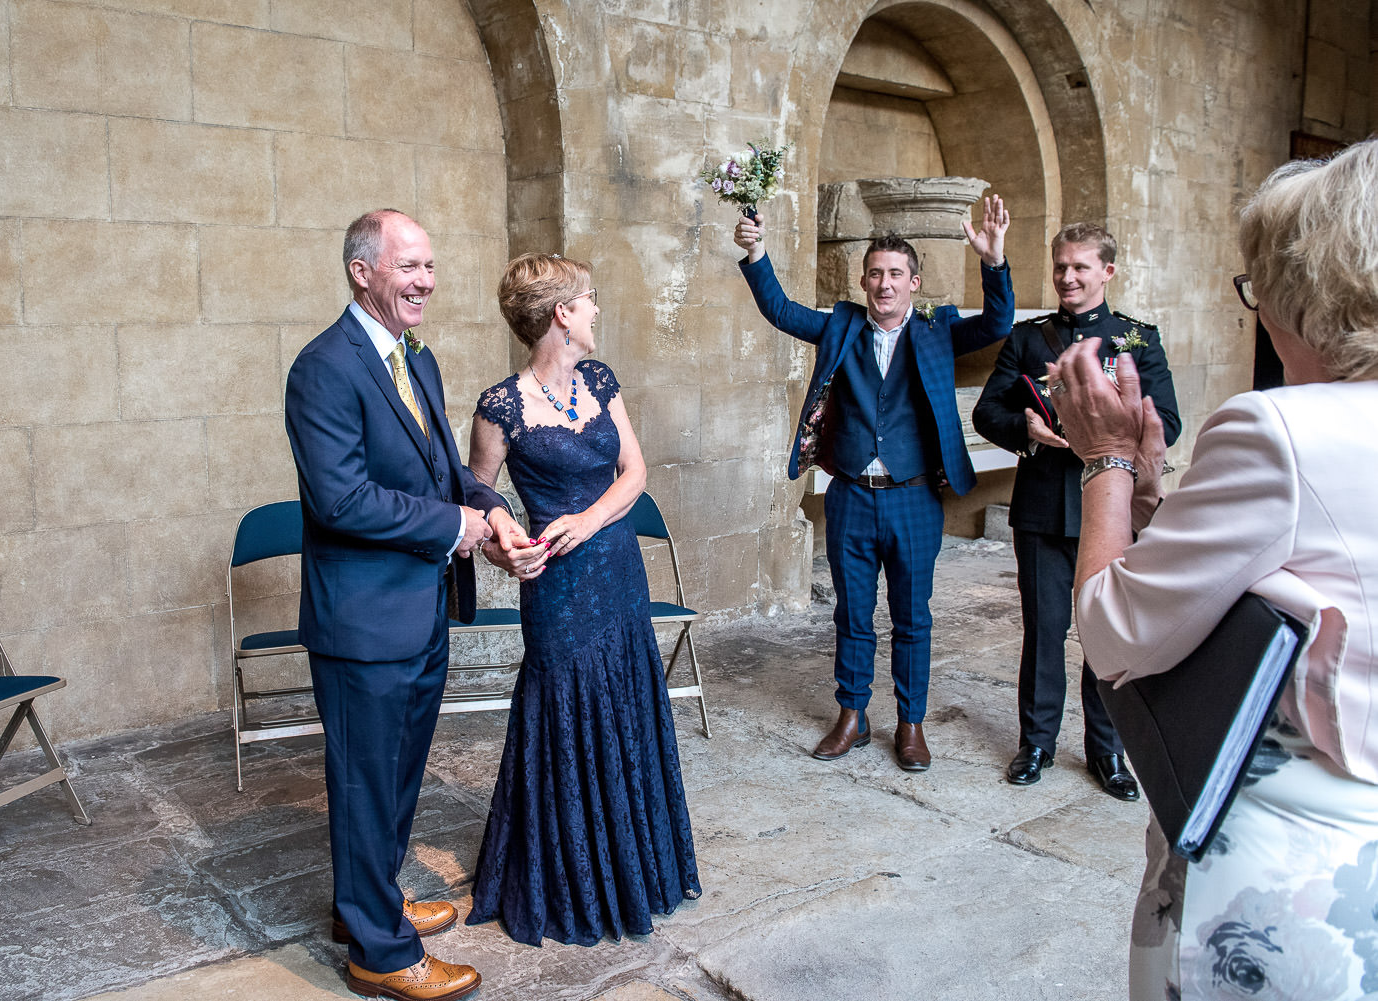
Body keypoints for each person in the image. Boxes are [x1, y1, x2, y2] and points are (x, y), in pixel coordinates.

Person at [1051, 139, 1378, 999]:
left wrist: (1109, 462)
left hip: (1305, 862)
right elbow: (1234, 574)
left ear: (1310, 294)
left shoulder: (1281, 429)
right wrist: (1159, 497)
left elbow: (1116, 629)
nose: (1256, 310)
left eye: (1257, 286)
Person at [284, 209, 527, 1001]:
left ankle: (370, 906)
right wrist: (457, 524)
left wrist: (487, 507)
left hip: (420, 609)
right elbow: (341, 500)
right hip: (362, 621)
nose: (426, 280)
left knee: (395, 779)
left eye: (430, 266)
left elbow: (442, 468)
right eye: (409, 266)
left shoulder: (414, 358)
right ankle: (381, 956)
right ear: (363, 271)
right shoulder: (324, 367)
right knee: (364, 781)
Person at [465, 252, 701, 947]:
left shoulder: (600, 380)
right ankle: (572, 886)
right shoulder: (499, 405)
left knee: (627, 706)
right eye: (589, 299)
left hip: (619, 572)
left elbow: (635, 470)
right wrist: (504, 545)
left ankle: (638, 872)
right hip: (559, 591)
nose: (597, 309)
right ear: (562, 314)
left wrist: (591, 519)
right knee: (566, 714)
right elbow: (478, 503)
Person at [733, 199, 1013, 769]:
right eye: (875, 274)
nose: (884, 284)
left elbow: (997, 324)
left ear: (914, 283)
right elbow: (782, 310)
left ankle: (910, 724)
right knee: (852, 614)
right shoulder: (842, 325)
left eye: (895, 275)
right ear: (863, 281)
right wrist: (757, 253)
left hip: (914, 499)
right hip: (852, 497)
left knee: (913, 618)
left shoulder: (937, 330)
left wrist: (994, 262)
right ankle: (852, 716)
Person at [972, 223, 1181, 799]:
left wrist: (1117, 428)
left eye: (1080, 267)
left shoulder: (1137, 338)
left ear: (1107, 272)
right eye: (1061, 266)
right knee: (1043, 631)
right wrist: (1029, 430)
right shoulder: (1028, 338)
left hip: (1110, 511)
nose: (1067, 277)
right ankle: (1035, 743)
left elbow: (1170, 420)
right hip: (1042, 505)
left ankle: (1107, 751)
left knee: (1105, 635)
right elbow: (988, 413)